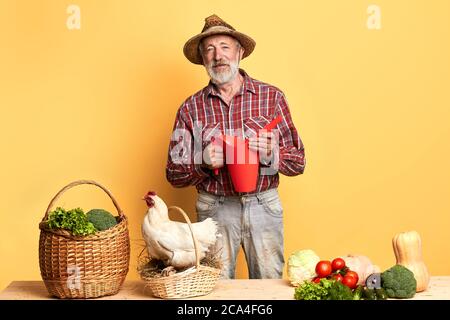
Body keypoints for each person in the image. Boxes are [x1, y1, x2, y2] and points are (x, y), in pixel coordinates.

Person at [165, 14, 305, 279]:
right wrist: (201, 162)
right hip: (214, 208)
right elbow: (173, 173)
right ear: (203, 59)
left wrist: (271, 154)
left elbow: (298, 161)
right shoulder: (190, 108)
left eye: (225, 47)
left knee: (268, 287)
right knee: (215, 289)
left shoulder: (271, 97)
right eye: (209, 49)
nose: (218, 56)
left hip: (264, 204)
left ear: (239, 52)